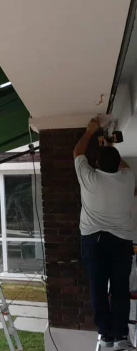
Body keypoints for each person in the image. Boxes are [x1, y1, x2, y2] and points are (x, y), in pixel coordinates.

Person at [73, 117, 136, 350]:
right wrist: (110, 145)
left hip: (94, 241)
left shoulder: (90, 179)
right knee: (120, 289)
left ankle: (106, 336)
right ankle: (120, 336)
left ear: (97, 163)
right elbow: (122, 166)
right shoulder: (127, 180)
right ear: (117, 164)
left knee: (98, 288)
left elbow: (77, 152)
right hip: (121, 242)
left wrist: (90, 131)